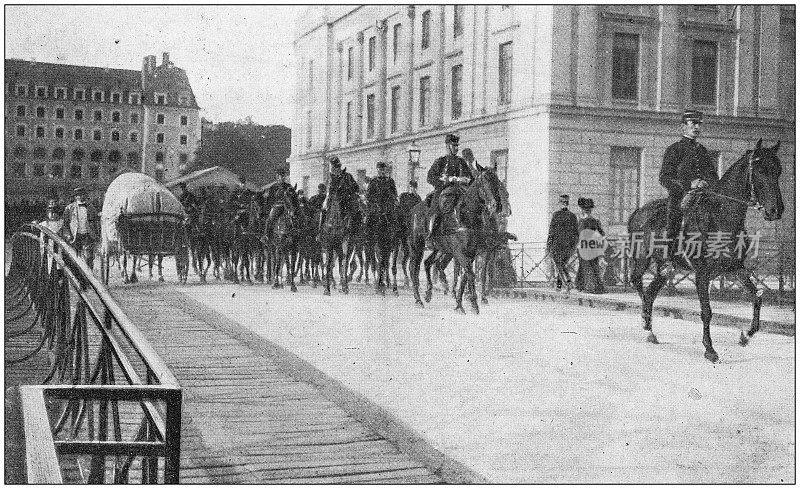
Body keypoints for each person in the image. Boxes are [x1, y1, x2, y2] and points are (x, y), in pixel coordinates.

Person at [659, 109, 719, 275]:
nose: (697, 127)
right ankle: (669, 260)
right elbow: (664, 177)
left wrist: (707, 182)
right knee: (674, 221)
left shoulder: (703, 151)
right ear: (683, 127)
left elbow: (714, 176)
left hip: (703, 197)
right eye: (693, 123)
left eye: (699, 124)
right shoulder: (674, 149)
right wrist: (689, 184)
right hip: (681, 197)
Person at [426, 133, 474, 244]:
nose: (456, 148)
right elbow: (430, 178)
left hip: (460, 190)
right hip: (444, 190)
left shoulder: (461, 162)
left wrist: (465, 180)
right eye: (454, 146)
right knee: (436, 207)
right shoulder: (441, 161)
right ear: (447, 146)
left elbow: (470, 178)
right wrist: (445, 180)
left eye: (457, 146)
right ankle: (431, 235)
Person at [546, 194, 579, 291]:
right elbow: (551, 231)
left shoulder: (558, 215)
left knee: (560, 264)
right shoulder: (571, 216)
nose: (564, 204)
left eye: (565, 202)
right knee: (561, 264)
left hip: (560, 245)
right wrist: (573, 246)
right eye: (563, 202)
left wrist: (548, 245)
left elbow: (551, 232)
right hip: (563, 246)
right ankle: (562, 284)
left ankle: (565, 282)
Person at [321, 155, 360, 233]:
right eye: (332, 168)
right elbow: (329, 190)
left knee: (357, 211)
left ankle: (356, 230)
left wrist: (349, 191)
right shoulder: (331, 177)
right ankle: (321, 231)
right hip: (333, 199)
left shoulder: (347, 176)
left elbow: (356, 187)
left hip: (346, 199)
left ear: (338, 167)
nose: (332, 170)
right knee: (324, 209)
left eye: (333, 167)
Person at [574, 198, 605, 294]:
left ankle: (590, 286)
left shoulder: (581, 221)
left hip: (583, 246)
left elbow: (577, 234)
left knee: (586, 265)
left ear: (582, 210)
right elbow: (602, 233)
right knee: (592, 265)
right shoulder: (595, 221)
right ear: (590, 210)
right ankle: (581, 284)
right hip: (593, 245)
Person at [62, 187, 98, 269]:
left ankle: (89, 276)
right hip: (75, 235)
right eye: (79, 195)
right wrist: (68, 236)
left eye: (83, 195)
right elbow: (65, 224)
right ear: (75, 197)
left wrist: (96, 234)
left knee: (89, 258)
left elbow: (96, 221)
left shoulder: (90, 207)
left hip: (88, 235)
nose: (82, 197)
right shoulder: (69, 208)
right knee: (75, 258)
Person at [264, 168, 297, 237]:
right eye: (281, 176)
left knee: (295, 216)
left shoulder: (288, 186)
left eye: (283, 176)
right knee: (270, 219)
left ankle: (296, 232)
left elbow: (293, 197)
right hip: (277, 207)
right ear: (277, 177)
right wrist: (272, 205)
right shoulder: (273, 187)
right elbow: (270, 199)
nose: (283, 177)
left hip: (288, 206)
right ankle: (267, 236)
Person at [366, 162, 398, 230]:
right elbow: (368, 195)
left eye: (383, 169)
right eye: (380, 170)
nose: (382, 171)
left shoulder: (390, 181)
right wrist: (375, 202)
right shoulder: (373, 181)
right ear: (377, 170)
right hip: (376, 207)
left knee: (397, 221)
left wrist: (393, 200)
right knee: (369, 221)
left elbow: (394, 194)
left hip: (388, 207)